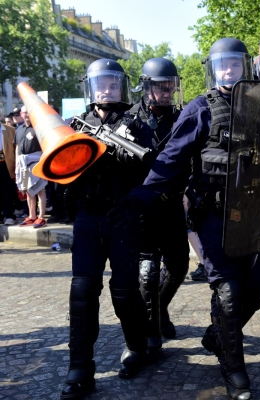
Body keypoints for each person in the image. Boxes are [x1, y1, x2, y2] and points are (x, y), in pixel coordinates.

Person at [125, 38, 260, 400]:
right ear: (213, 68)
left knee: (258, 287)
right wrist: (138, 200)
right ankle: (234, 370)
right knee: (229, 292)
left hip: (254, 214)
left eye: (234, 64)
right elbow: (171, 159)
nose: (228, 70)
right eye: (222, 65)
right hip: (213, 214)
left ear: (244, 67)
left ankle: (218, 335)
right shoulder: (198, 109)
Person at [60, 59, 154, 399]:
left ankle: (136, 345)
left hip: (122, 216)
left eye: (112, 84)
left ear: (121, 87)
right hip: (87, 215)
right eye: (100, 83)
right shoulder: (75, 125)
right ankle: (80, 367)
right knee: (82, 290)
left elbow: (152, 173)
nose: (106, 89)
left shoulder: (137, 126)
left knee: (125, 290)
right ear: (90, 87)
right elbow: (59, 169)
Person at [130, 57, 190, 360]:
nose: (165, 93)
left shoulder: (183, 117)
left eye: (170, 87)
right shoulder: (130, 119)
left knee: (179, 266)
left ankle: (161, 308)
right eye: (159, 87)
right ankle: (151, 332)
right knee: (148, 272)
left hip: (172, 205)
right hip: (143, 208)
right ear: (146, 87)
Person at [15, 106, 47, 228]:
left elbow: (45, 144)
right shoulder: (19, 129)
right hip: (23, 162)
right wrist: (17, 163)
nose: (27, 114)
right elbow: (17, 147)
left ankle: (41, 217)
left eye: (29, 112)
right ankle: (32, 216)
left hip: (36, 161)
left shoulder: (38, 128)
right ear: (21, 114)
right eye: (24, 112)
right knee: (28, 191)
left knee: (40, 190)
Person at [0, 120, 17, 225]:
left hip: (6, 164)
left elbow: (16, 148)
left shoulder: (10, 130)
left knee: (7, 191)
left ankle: (9, 215)